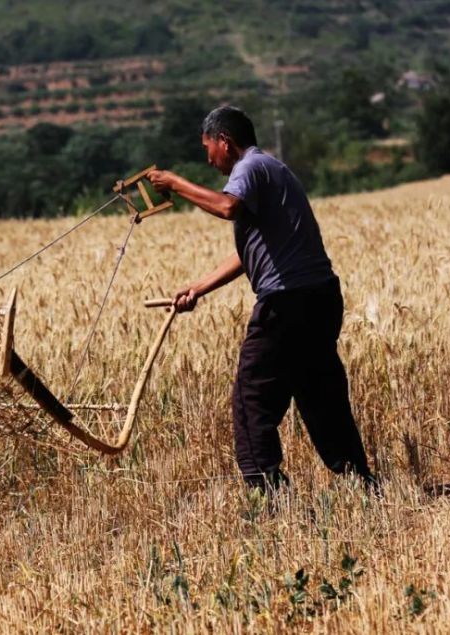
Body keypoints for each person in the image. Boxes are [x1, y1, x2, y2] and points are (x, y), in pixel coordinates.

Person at [147, 105, 376, 494]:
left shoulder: (249, 169)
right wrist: (198, 288)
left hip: (286, 303)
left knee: (251, 397)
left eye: (208, 148)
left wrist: (175, 183)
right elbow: (251, 253)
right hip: (319, 298)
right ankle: (361, 482)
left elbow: (226, 206)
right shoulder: (272, 170)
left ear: (225, 141)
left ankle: (267, 492)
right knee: (320, 391)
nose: (208, 158)